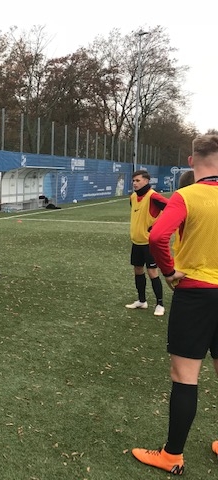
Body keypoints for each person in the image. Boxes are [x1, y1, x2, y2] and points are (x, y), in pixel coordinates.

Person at [131, 134, 218, 475]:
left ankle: (172, 456)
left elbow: (157, 236)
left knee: (185, 376)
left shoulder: (187, 194)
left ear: (192, 160)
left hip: (196, 293)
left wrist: (168, 272)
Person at [124, 169, 168, 316]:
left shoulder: (153, 196)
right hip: (136, 241)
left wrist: (157, 227)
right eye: (133, 181)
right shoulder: (133, 197)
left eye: (138, 180)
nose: (134, 183)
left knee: (152, 272)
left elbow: (171, 209)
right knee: (138, 270)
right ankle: (142, 301)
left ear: (146, 181)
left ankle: (160, 304)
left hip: (150, 243)